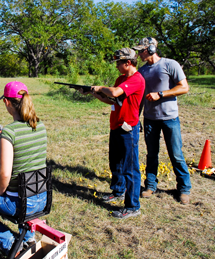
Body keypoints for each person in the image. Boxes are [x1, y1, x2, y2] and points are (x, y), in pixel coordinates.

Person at [0, 81, 48, 256]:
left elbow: (5, 173)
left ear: (6, 102)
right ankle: (28, 237)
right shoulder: (41, 126)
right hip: (43, 199)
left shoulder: (9, 132)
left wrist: (0, 190)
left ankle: (10, 244)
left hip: (21, 205)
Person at [82, 48, 145, 219]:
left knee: (130, 168)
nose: (116, 65)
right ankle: (118, 191)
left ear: (128, 62)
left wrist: (101, 87)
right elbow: (112, 100)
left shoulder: (136, 79)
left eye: (118, 62)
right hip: (116, 125)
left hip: (128, 129)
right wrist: (94, 93)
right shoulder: (121, 79)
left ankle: (133, 206)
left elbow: (115, 92)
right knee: (116, 162)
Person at [133, 37, 191, 204]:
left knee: (176, 154)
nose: (139, 53)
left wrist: (161, 94)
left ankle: (184, 188)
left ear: (151, 49)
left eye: (141, 50)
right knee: (151, 154)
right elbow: (141, 98)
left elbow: (184, 87)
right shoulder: (142, 71)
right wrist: (136, 118)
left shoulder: (170, 64)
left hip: (170, 118)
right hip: (150, 119)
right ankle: (150, 185)